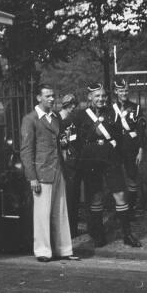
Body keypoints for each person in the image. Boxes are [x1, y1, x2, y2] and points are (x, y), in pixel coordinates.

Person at [73, 83, 142, 248]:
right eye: (97, 96)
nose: (101, 99)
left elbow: (120, 135)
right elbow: (75, 139)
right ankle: (98, 235)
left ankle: (127, 234)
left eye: (103, 96)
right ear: (89, 97)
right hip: (91, 161)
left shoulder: (114, 112)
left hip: (111, 159)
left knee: (120, 195)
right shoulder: (81, 115)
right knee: (96, 197)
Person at [20, 84, 79, 262]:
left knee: (60, 212)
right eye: (47, 96)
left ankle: (64, 249)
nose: (52, 99)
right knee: (42, 214)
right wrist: (32, 178)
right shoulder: (30, 119)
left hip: (57, 170)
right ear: (38, 98)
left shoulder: (54, 117)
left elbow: (59, 142)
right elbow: (26, 150)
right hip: (41, 172)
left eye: (53, 96)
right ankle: (43, 251)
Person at [112, 79, 146, 210]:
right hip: (116, 148)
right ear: (116, 91)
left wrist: (141, 150)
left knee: (132, 177)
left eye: (126, 90)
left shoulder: (136, 108)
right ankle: (120, 207)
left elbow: (141, 131)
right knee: (116, 178)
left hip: (131, 147)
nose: (124, 93)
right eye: (121, 91)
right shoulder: (111, 108)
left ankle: (131, 208)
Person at [56, 93, 81, 237]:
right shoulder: (57, 119)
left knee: (73, 195)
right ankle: (63, 227)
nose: (72, 108)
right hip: (61, 161)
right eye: (70, 105)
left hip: (73, 160)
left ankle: (72, 228)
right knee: (64, 195)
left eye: (74, 105)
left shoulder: (74, 119)